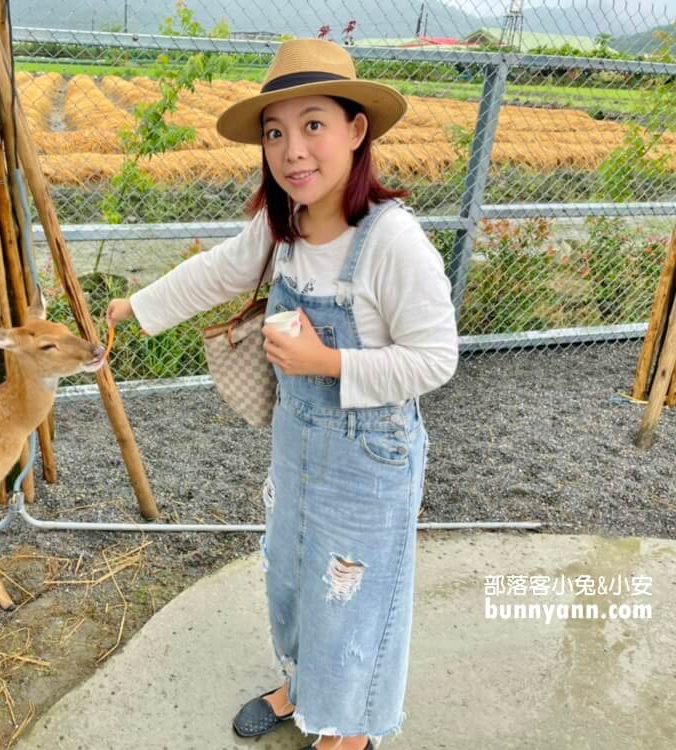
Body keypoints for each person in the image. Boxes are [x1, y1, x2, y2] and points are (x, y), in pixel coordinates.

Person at [106, 38, 458, 750]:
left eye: (313, 125)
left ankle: (348, 727)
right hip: (297, 447)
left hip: (370, 461)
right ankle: (301, 686)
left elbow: (436, 360)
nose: (292, 150)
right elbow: (214, 275)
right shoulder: (284, 229)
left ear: (357, 131)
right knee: (293, 574)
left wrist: (326, 361)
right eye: (275, 132)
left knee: (352, 598)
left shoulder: (393, 242)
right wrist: (129, 310)